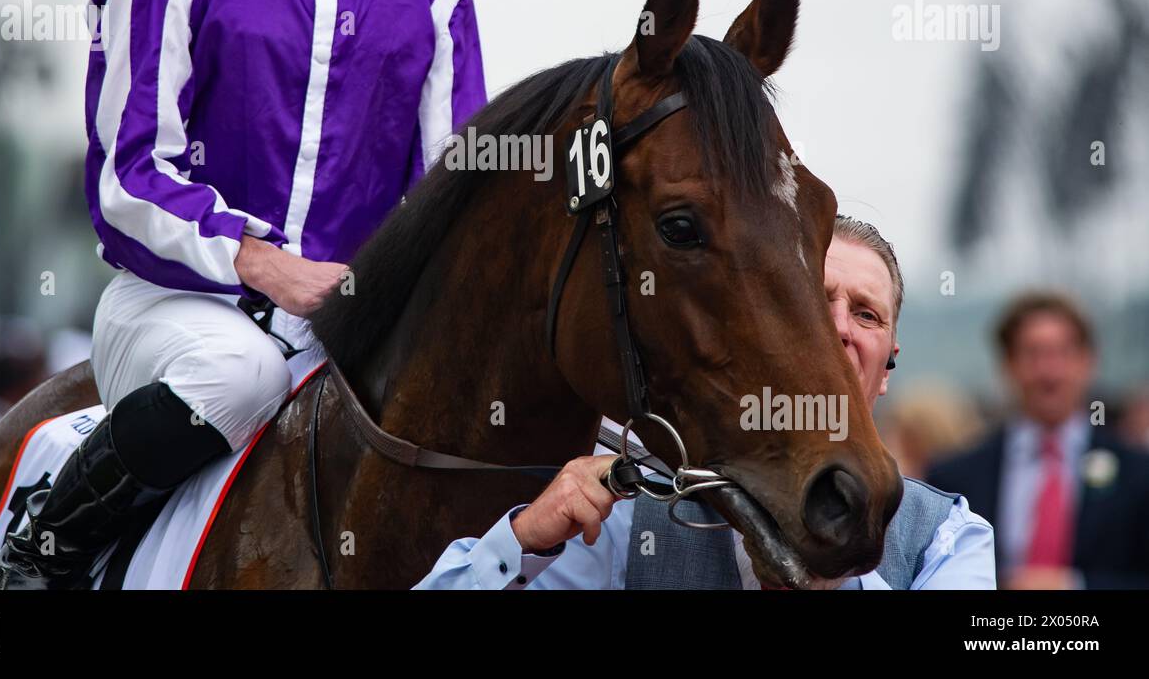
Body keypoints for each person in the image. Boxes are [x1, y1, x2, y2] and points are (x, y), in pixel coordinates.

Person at [0, 0, 485, 589]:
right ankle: (37, 553)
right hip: (174, 309)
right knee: (242, 371)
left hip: (347, 336)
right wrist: (264, 265)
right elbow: (126, 176)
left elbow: (453, 206)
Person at [416, 216, 996, 589]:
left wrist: (839, 573)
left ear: (888, 360)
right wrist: (525, 540)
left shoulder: (949, 535)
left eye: (865, 313)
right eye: (816, 303)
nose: (838, 328)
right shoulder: (631, 510)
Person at [927, 292, 1149, 589]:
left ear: (1088, 361)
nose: (1049, 372)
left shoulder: (1138, 475)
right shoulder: (953, 477)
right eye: (1033, 354)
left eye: (1062, 353)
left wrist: (1074, 586)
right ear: (1007, 365)